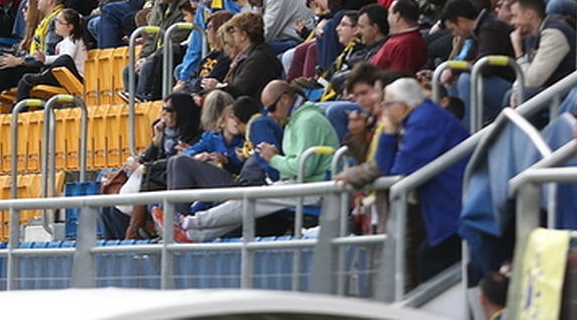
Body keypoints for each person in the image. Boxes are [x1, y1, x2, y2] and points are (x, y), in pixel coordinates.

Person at [173, 80, 339, 242]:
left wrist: (273, 159)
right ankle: (193, 235)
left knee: (250, 200)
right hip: (302, 184)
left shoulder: (307, 121)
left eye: (272, 108)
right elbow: (295, 165)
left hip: (316, 188)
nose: (271, 115)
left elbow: (305, 168)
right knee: (247, 204)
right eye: (267, 110)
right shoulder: (293, 122)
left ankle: (189, 223)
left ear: (285, 99)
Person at [372, 77, 468, 282]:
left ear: (403, 105)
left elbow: (396, 174)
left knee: (429, 263)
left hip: (453, 212)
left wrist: (388, 132)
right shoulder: (422, 117)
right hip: (445, 210)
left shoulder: (425, 122)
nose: (384, 110)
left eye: (387, 104)